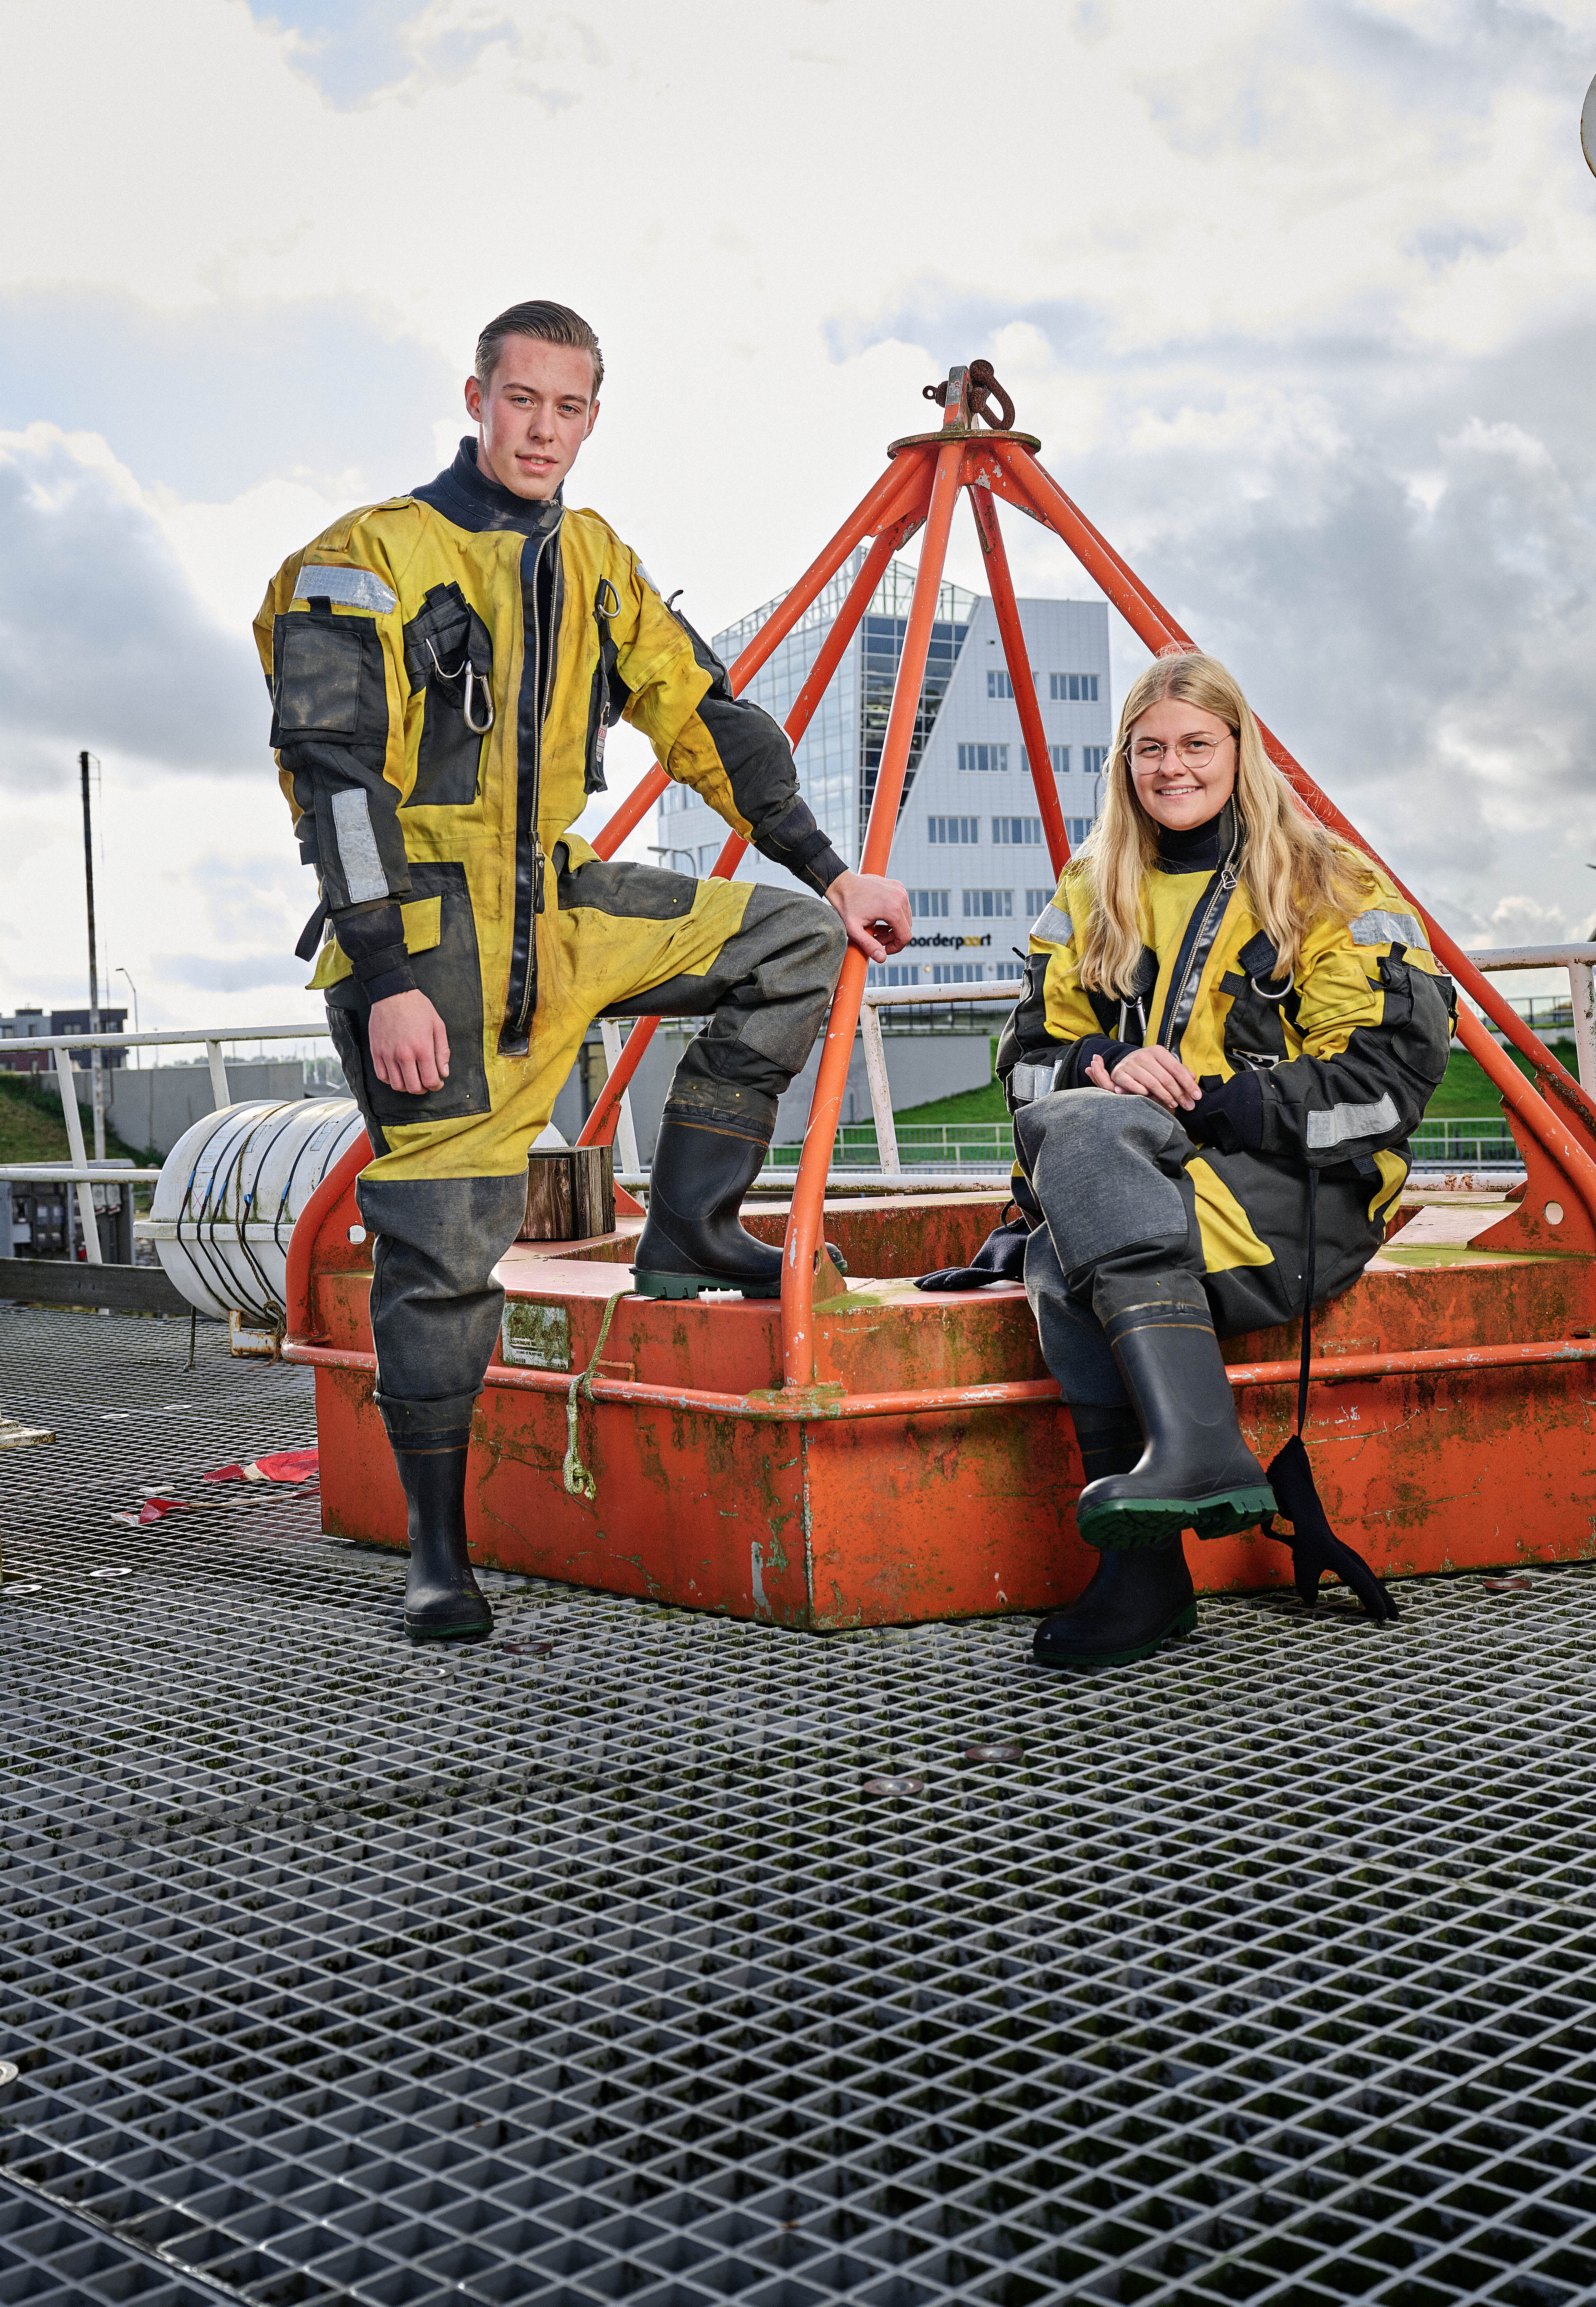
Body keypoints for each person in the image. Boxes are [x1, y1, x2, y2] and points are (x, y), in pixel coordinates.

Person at [254, 299, 910, 1643]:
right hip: (428, 939)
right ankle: (439, 1555)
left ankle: (689, 1230)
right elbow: (333, 784)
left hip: (562, 905)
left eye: (570, 408)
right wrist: (379, 976)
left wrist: (829, 870)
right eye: (522, 401)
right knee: (443, 1251)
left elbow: (705, 716)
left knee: (791, 946)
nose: (544, 429)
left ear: (593, 417)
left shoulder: (597, 559)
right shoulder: (360, 559)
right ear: (476, 397)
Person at [992, 649, 1454, 1670]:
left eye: (1197, 744)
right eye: (1150, 748)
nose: (1174, 767)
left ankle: (1154, 1557)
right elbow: (1023, 1069)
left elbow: (1392, 1084)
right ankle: (1161, 1537)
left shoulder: (1329, 880)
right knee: (1074, 1167)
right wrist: (1098, 1061)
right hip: (1141, 1183)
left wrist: (1236, 1102)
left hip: (1297, 1199)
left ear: (1241, 751)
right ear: (1125, 763)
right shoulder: (1090, 885)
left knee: (1067, 1214)